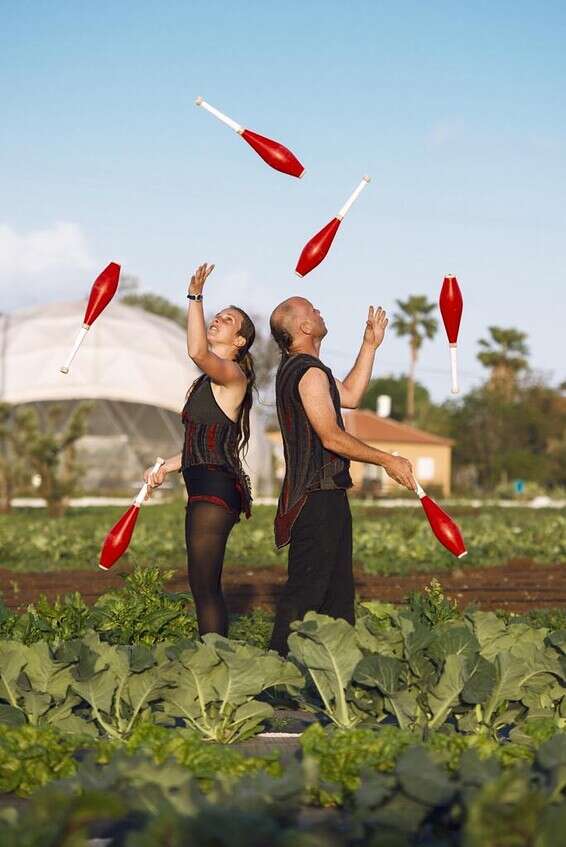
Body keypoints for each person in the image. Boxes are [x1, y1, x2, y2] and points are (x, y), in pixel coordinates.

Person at [268, 296, 416, 655]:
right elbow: (332, 436)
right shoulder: (308, 372)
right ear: (303, 327)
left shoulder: (303, 369)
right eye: (312, 310)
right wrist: (386, 460)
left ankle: (335, 676)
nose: (320, 311)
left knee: (338, 597)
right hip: (316, 497)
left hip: (323, 495)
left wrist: (369, 346)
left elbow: (349, 395)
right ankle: (275, 673)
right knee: (305, 592)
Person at [144, 263, 255, 637]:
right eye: (217, 316)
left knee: (205, 589)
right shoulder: (205, 383)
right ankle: (211, 658)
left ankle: (213, 662)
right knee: (202, 587)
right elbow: (201, 445)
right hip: (204, 484)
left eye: (226, 320)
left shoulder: (233, 375)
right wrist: (166, 467)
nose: (217, 321)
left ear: (240, 342)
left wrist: (195, 297)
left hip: (215, 490)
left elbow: (196, 350)